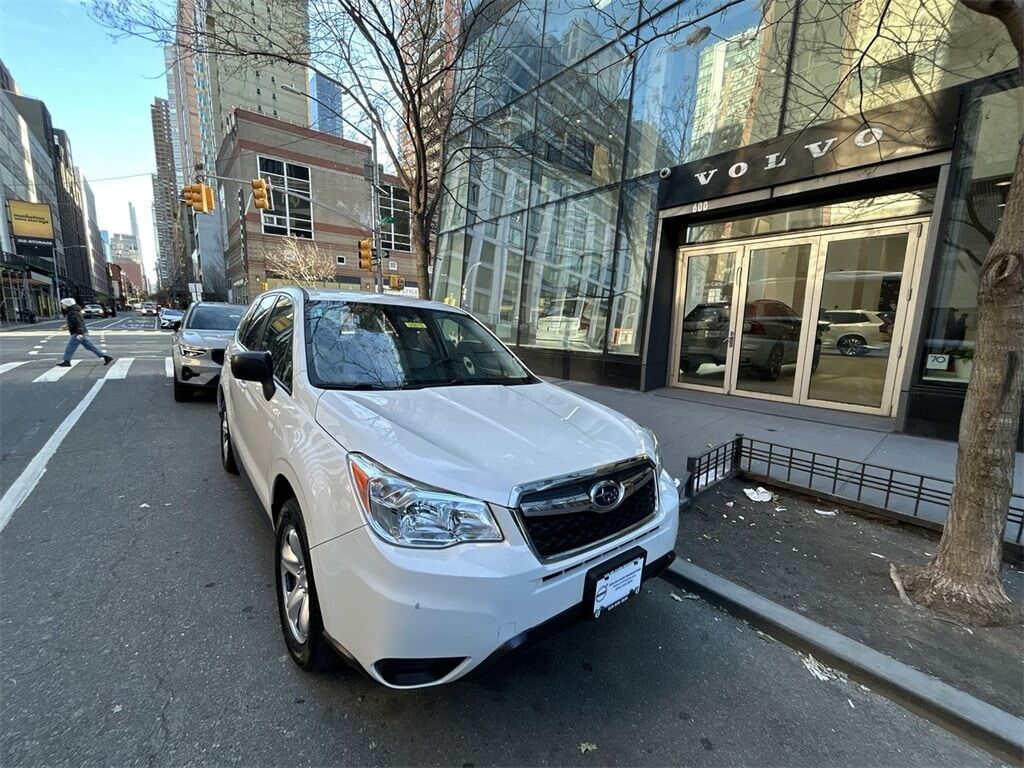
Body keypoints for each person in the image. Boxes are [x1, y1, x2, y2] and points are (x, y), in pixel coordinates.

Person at [56, 297, 113, 367]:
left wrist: (79, 333)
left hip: (78, 333)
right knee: (90, 347)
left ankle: (66, 361)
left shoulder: (72, 312)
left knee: (70, 347)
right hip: (81, 332)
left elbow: (78, 323)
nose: (62, 305)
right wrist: (66, 326)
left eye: (63, 304)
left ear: (67, 304)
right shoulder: (74, 311)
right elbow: (75, 322)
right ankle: (106, 357)